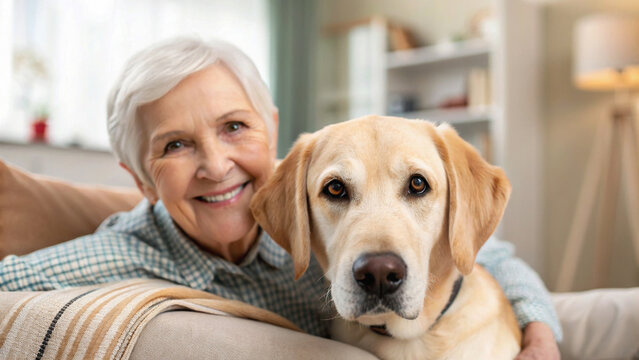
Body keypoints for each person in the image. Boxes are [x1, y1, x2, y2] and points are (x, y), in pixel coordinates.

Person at [0, 37, 560, 358]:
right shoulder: (127, 253)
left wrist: (540, 328)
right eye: (175, 145)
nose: (216, 165)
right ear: (141, 180)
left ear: (269, 126)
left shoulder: (303, 235)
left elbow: (489, 255)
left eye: (234, 128)